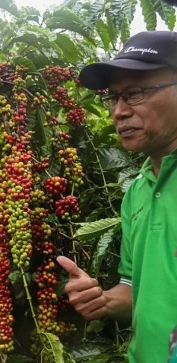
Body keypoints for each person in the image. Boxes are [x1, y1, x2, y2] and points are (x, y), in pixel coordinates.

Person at [57, 31, 177, 363]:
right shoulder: (136, 192)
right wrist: (104, 301)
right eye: (113, 97)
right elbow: (133, 289)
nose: (119, 112)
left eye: (135, 93)